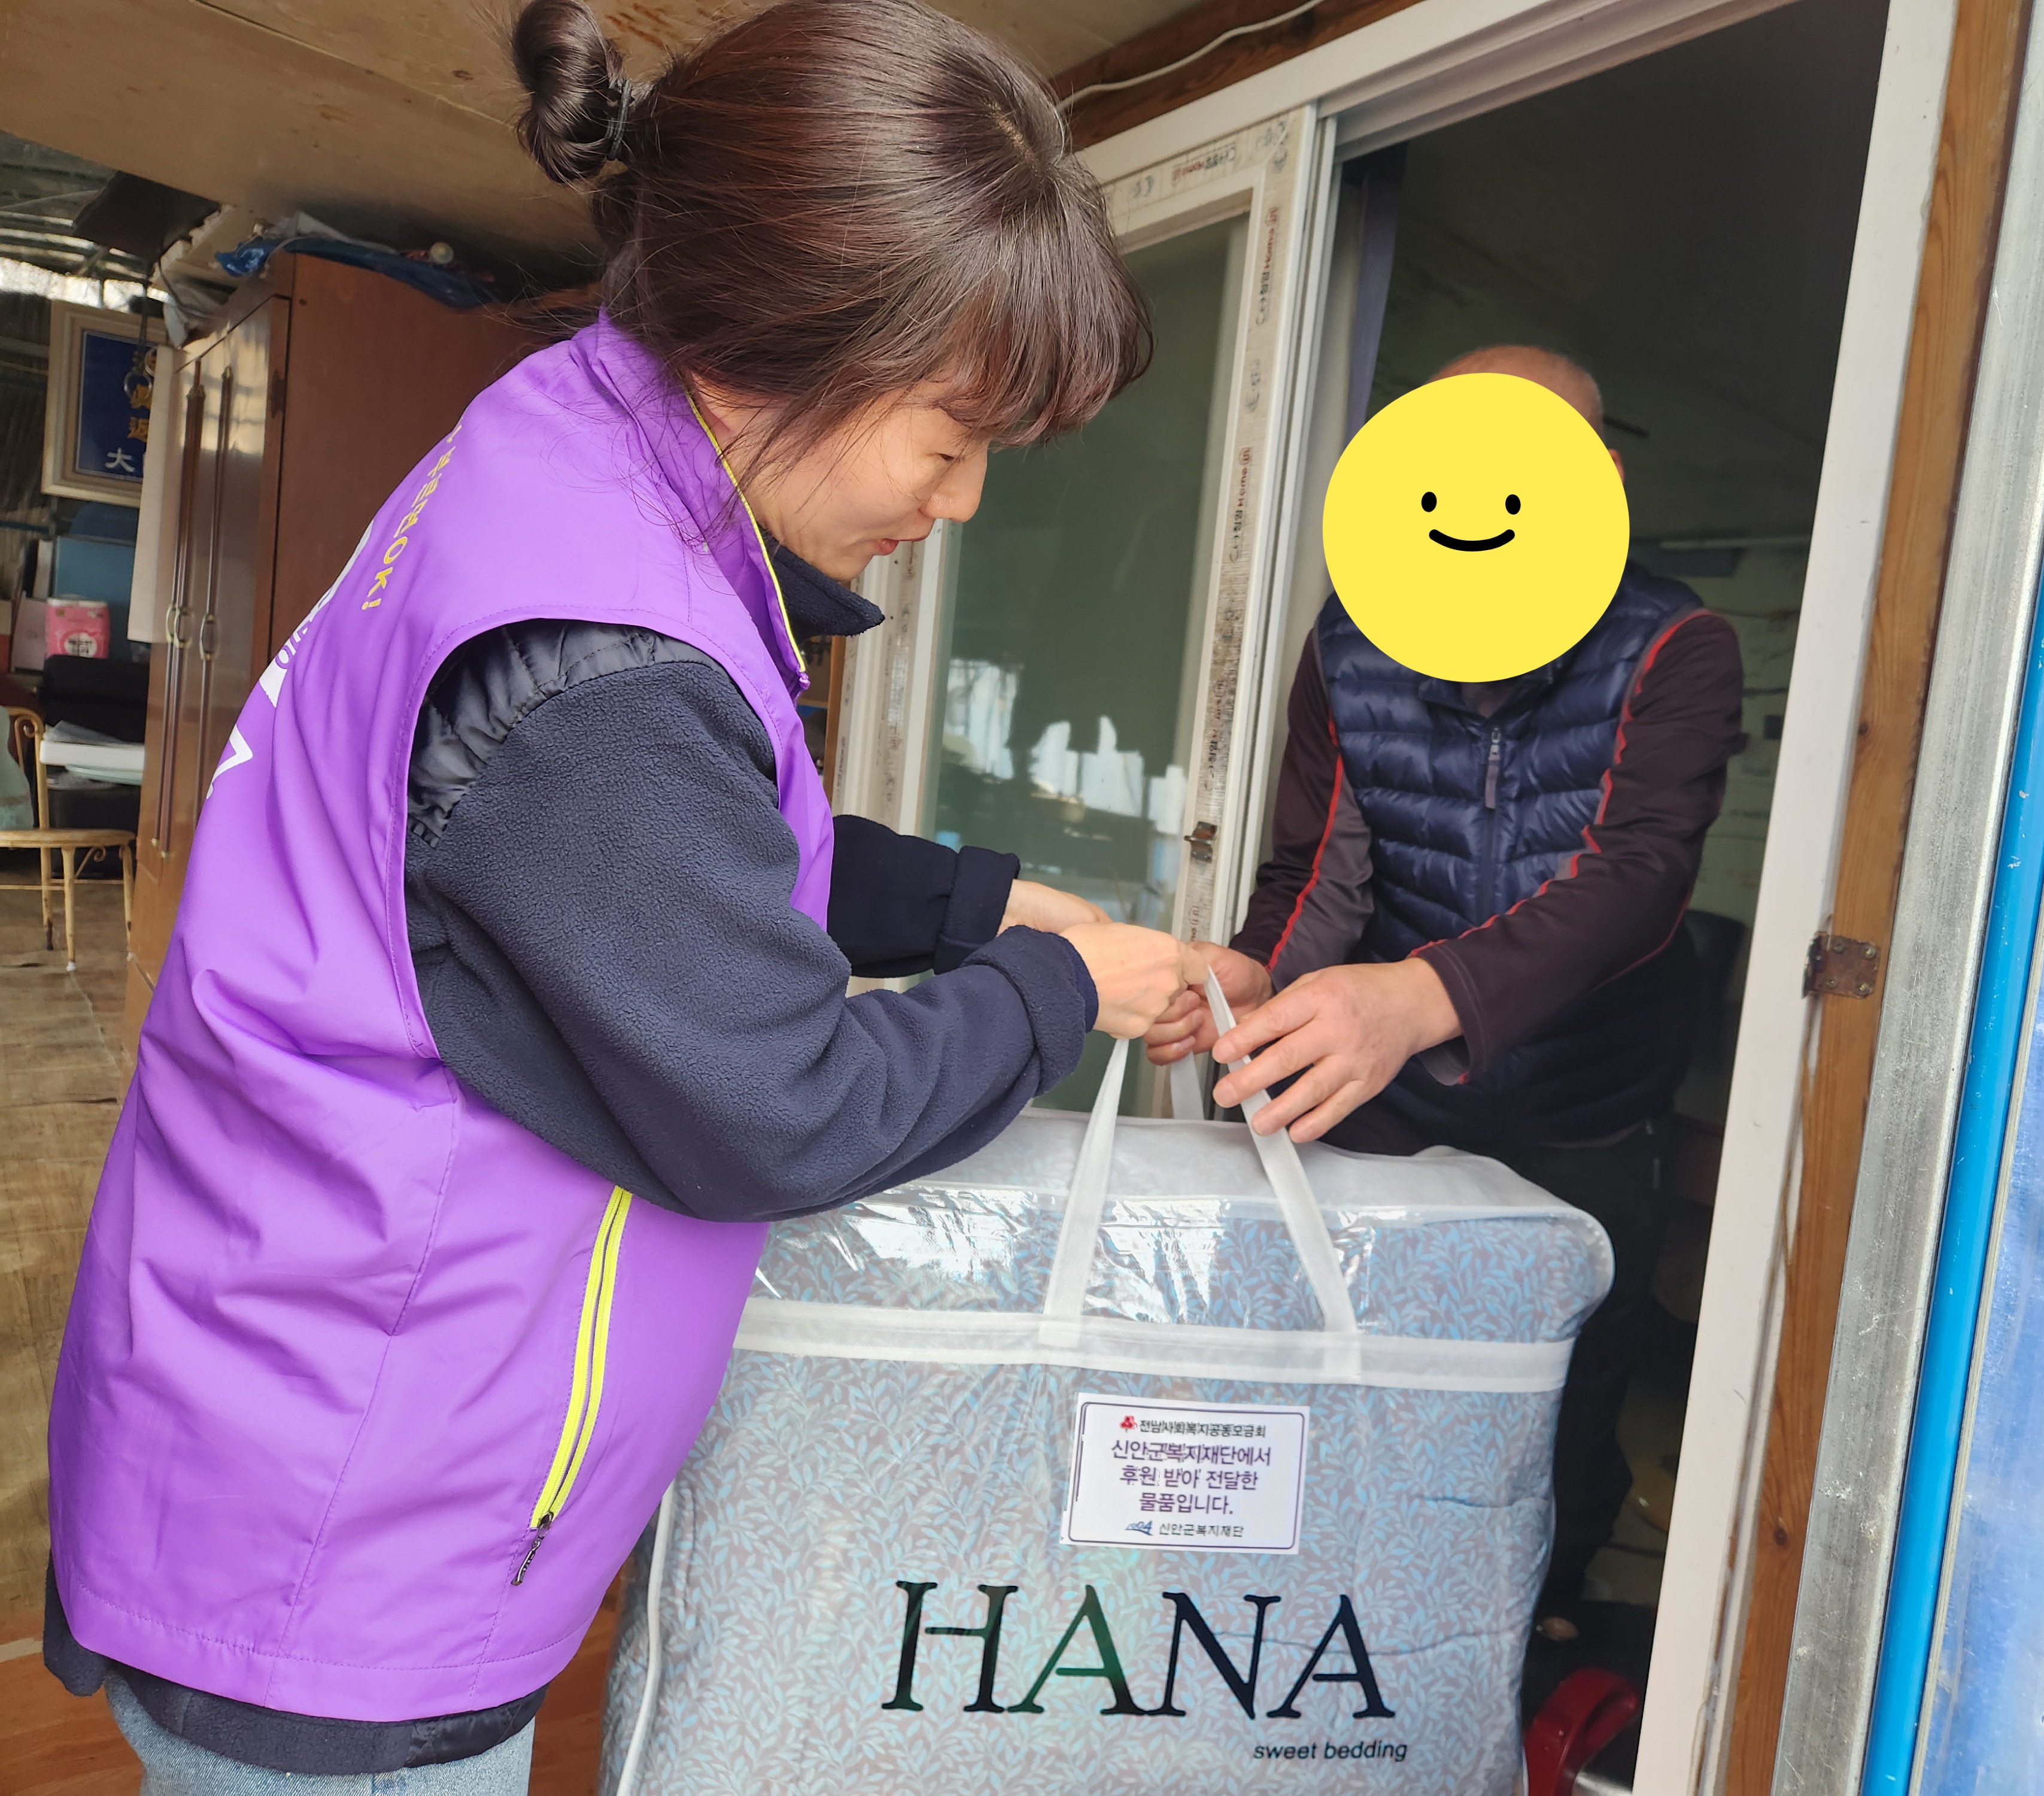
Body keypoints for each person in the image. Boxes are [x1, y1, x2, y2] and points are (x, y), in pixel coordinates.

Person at [44, 3, 1203, 1787]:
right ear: (777, 339)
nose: (961, 502)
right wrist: (1065, 995)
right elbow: (781, 1104)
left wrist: (989, 907)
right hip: (352, 1523)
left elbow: (680, 861)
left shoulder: (576, 454)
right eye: (952, 435)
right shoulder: (605, 663)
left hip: (303, 1402)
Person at [1147, 345, 1745, 1637]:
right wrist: (1257, 974)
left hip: (1583, 1104)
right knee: (1352, 1358)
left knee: (1561, 1386)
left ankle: (1528, 1638)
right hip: (1394, 1099)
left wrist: (1421, 998)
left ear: (1600, 478)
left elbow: (1637, 877)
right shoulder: (1351, 637)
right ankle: (1329, 1616)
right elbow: (1320, 864)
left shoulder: (1674, 646)